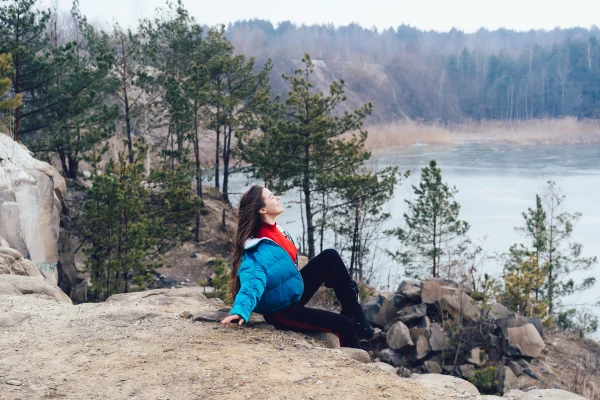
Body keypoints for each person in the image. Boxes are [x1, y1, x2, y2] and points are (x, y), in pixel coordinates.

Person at [220, 185, 374, 348]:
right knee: (344, 324)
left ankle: (357, 316)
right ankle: (355, 362)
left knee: (330, 257)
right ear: (262, 209)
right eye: (272, 197)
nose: (277, 198)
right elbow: (252, 283)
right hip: (281, 311)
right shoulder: (256, 249)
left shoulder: (277, 231)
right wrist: (240, 311)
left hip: (292, 291)